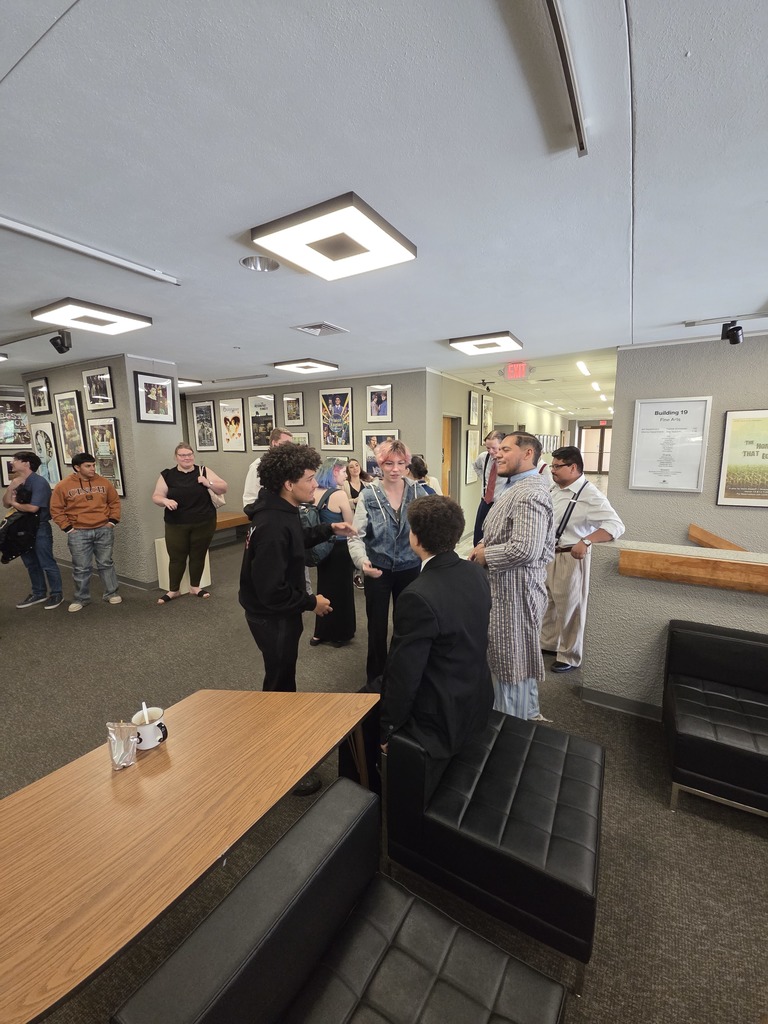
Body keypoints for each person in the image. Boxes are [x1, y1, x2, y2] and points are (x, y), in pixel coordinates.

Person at [238, 445, 357, 790]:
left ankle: (277, 735)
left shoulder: (282, 510)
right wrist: (312, 602)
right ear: (289, 483)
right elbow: (271, 590)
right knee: (279, 682)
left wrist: (328, 530)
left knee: (281, 678)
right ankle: (279, 762)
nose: (314, 484)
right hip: (271, 616)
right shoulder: (273, 524)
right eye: (308, 479)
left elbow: (296, 540)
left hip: (275, 611)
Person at [379, 495, 493, 757]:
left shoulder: (416, 596)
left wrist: (389, 728)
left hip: (442, 715)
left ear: (415, 538)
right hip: (478, 697)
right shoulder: (475, 571)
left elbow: (404, 673)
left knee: (362, 710)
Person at [470, 433, 554, 721]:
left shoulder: (530, 492)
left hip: (515, 592)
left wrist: (484, 556)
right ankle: (529, 715)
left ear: (528, 453)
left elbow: (525, 548)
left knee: (509, 662)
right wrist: (484, 543)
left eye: (506, 449)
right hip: (510, 588)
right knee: (520, 657)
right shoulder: (516, 487)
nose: (497, 454)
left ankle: (510, 732)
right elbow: (510, 533)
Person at [348, 438, 429, 684]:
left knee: (407, 625)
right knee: (377, 627)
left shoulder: (418, 492)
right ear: (380, 465)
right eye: (389, 463)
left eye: (401, 463)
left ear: (407, 465)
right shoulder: (369, 495)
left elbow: (430, 531)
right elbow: (355, 536)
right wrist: (362, 562)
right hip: (377, 570)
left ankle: (403, 675)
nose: (395, 469)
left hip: (410, 568)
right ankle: (376, 678)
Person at [541, 445, 625, 672]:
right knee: (548, 603)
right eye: (552, 466)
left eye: (558, 467)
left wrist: (587, 540)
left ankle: (569, 655)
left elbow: (615, 526)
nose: (553, 471)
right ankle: (548, 643)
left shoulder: (590, 495)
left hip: (571, 556)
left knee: (571, 607)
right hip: (549, 554)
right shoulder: (554, 489)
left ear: (574, 467)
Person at [152, 443, 228, 602]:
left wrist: (208, 483)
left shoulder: (204, 471)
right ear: (176, 457)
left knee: (198, 555)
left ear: (193, 455)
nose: (186, 458)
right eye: (182, 455)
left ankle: (195, 587)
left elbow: (223, 488)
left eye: (189, 454)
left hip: (204, 521)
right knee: (176, 557)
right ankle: (173, 590)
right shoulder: (167, 475)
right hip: (176, 523)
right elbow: (157, 496)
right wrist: (165, 500)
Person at [50, 451, 122, 612]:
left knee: (106, 563)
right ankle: (81, 598)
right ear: (77, 467)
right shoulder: (63, 485)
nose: (92, 469)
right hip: (78, 532)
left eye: (93, 465)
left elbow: (114, 502)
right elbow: (56, 509)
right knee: (81, 567)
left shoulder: (103, 482)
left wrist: (112, 522)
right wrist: (68, 529)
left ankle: (111, 593)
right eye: (88, 466)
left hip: (103, 529)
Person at [3, 450, 64, 610]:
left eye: (15, 459)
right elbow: (6, 503)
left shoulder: (39, 483)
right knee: (30, 562)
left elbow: (32, 508)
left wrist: (16, 504)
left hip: (39, 527)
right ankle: (38, 592)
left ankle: (57, 593)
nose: (12, 462)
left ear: (26, 463)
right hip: (21, 528)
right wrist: (11, 488)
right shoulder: (16, 481)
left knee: (46, 561)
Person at [309, 458, 356, 648]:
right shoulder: (339, 495)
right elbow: (350, 524)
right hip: (339, 548)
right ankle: (340, 634)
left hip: (320, 547)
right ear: (335, 471)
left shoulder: (314, 492)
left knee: (324, 589)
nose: (346, 475)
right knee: (343, 591)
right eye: (344, 471)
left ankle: (320, 633)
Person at [472, 429, 510, 544]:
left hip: (501, 504)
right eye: (488, 448)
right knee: (479, 534)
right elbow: (476, 466)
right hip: (485, 502)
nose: (491, 451)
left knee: (495, 536)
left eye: (494, 448)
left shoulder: (508, 461)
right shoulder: (484, 457)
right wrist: (484, 480)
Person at [242, 428, 293, 508]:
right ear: (274, 443)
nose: (289, 448)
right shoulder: (257, 466)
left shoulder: (290, 465)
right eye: (285, 444)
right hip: (267, 513)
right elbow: (250, 498)